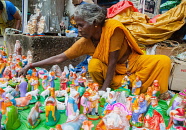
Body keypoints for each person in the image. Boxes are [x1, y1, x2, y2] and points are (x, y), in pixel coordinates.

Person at [19, 4, 171, 94]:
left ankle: (119, 86)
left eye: (81, 25)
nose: (78, 29)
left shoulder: (113, 29)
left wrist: (103, 91)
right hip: (115, 74)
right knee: (93, 65)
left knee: (163, 61)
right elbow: (60, 57)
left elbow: (112, 63)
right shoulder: (85, 41)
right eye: (77, 25)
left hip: (132, 64)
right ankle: (122, 85)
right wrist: (31, 65)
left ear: (95, 23)